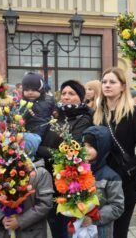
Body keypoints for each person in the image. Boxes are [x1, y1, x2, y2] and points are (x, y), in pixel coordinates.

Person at [93, 67, 136, 238]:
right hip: (98, 182)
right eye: (104, 82)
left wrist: (127, 170)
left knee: (119, 233)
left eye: (112, 82)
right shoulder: (97, 114)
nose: (107, 85)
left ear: (122, 86)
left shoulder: (134, 113)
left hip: (123, 184)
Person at [36, 79, 93, 238]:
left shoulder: (84, 118)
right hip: (48, 182)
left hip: (68, 185)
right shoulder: (55, 117)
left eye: (72, 93)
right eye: (64, 93)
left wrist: (39, 150)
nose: (66, 97)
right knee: (56, 229)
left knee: (65, 229)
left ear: (81, 98)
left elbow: (70, 149)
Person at [0, 158, 54, 238]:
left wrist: (19, 221)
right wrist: (1, 219)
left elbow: (45, 204)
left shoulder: (41, 173)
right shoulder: (0, 170)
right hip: (4, 232)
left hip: (32, 232)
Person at [82, 126, 124, 238]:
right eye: (83, 146)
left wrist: (94, 217)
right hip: (79, 228)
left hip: (101, 231)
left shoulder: (111, 176)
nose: (85, 150)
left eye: (90, 146)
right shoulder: (77, 172)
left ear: (101, 148)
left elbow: (117, 206)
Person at [21, 72, 55, 156]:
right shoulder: (21, 103)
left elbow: (55, 112)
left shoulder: (48, 101)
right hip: (24, 133)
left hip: (40, 133)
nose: (30, 92)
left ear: (41, 89)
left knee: (30, 148)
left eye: (33, 90)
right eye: (27, 90)